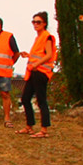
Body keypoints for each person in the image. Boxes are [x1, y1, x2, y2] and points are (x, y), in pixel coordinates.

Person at [20, 11, 56, 139]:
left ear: (44, 23)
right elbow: (40, 55)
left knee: (41, 100)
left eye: (38, 22)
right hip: (33, 71)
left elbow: (49, 54)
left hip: (41, 72)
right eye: (34, 22)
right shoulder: (38, 38)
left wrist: (36, 64)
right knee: (25, 98)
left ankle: (44, 129)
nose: (35, 24)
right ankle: (29, 126)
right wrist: (29, 56)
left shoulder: (47, 37)